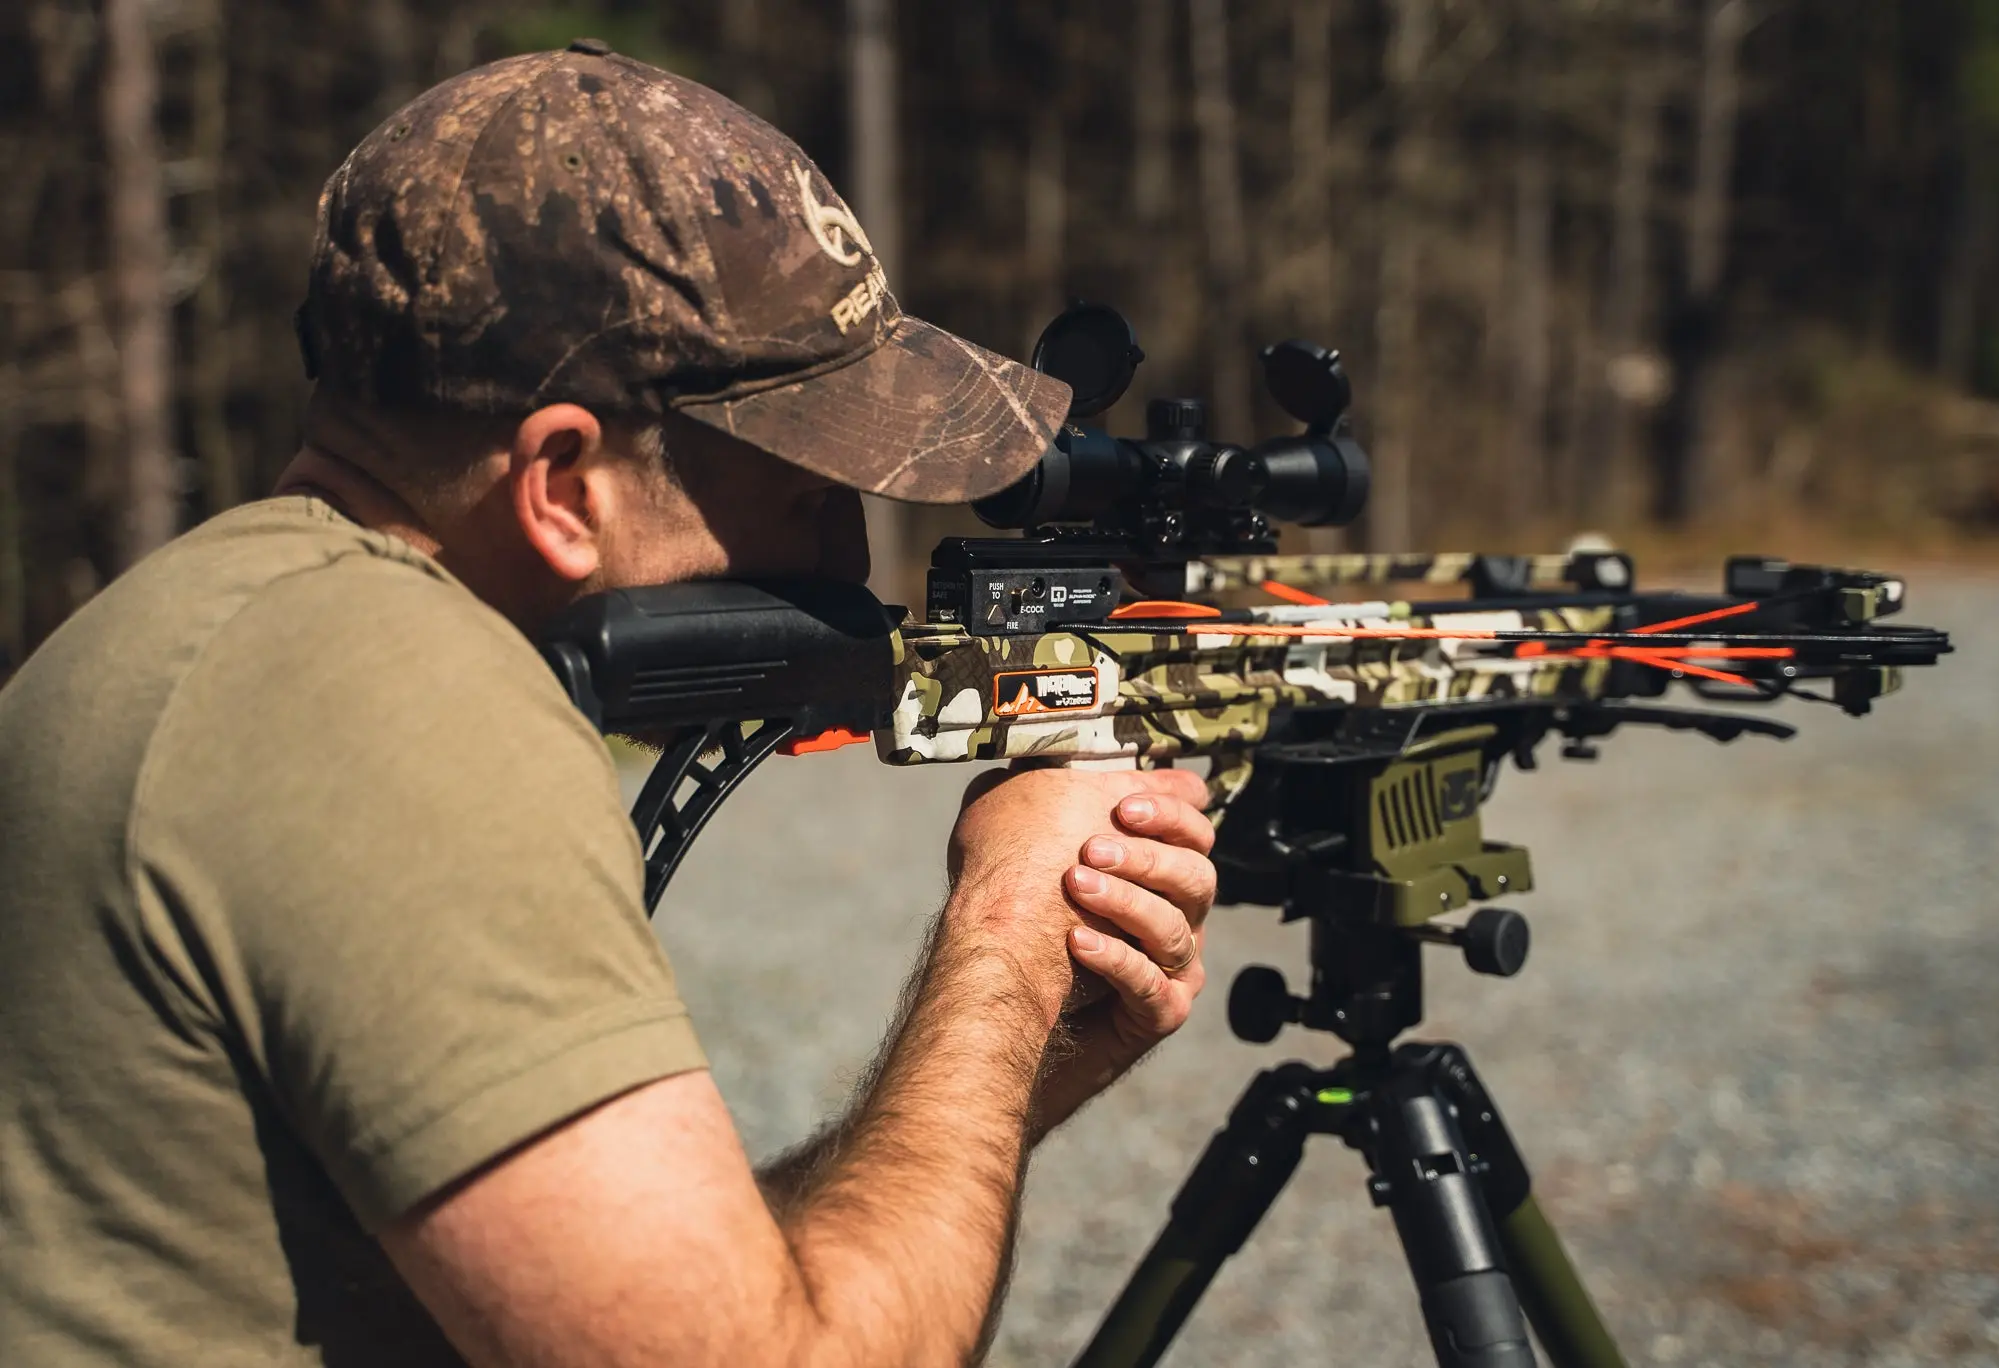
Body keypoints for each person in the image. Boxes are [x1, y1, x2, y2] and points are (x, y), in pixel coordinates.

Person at [0, 43, 1217, 1368]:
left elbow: (659, 1302)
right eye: (814, 494)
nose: (849, 569)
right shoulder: (396, 707)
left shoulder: (215, 634)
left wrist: (1013, 1071)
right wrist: (1006, 936)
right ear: (564, 485)